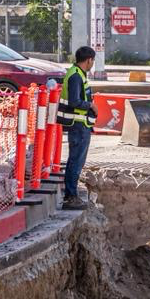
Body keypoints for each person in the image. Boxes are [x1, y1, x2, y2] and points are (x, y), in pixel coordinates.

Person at [56, 46, 96, 210]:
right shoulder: (75, 76)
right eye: (92, 60)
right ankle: (71, 197)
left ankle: (71, 195)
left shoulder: (77, 73)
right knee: (75, 161)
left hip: (80, 124)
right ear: (89, 60)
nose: (93, 63)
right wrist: (91, 105)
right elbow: (74, 101)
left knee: (76, 160)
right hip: (78, 125)